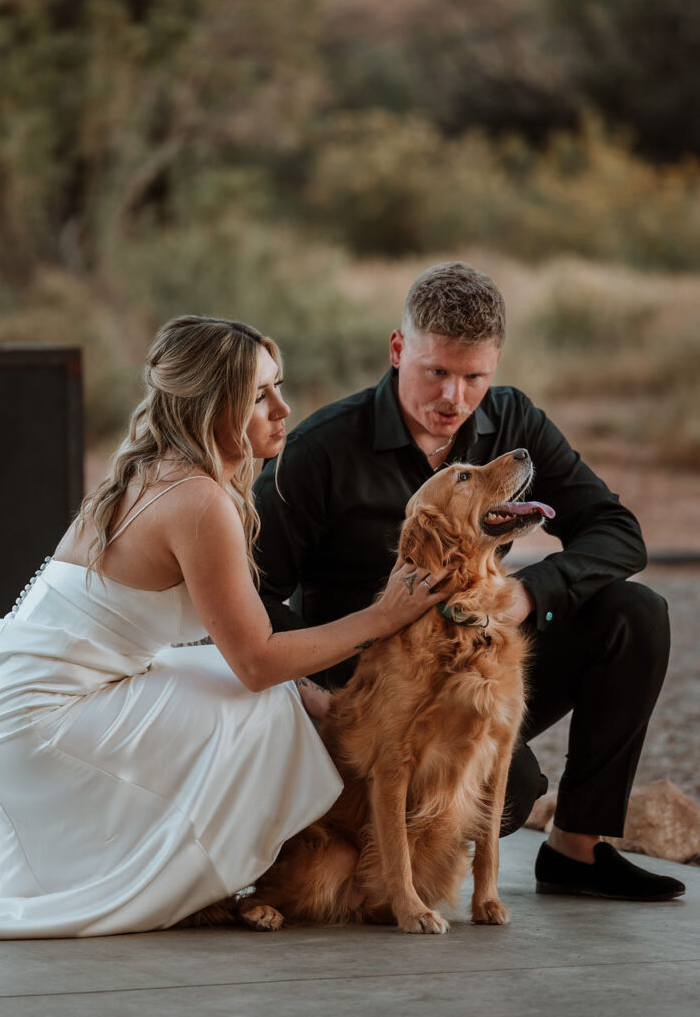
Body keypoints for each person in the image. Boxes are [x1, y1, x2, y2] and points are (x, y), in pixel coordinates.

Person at [0, 315, 448, 941]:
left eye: (278, 387)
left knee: (253, 688)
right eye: (259, 395)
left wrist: (305, 690)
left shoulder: (154, 471)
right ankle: (215, 878)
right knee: (260, 705)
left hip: (13, 707)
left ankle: (212, 869)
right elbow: (256, 661)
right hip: (39, 724)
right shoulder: (198, 500)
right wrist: (382, 617)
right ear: (212, 406)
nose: (283, 408)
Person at [254, 262, 686, 903]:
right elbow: (251, 593)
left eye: (474, 377)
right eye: (436, 373)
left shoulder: (514, 423)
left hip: (477, 675)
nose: (454, 399)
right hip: (374, 702)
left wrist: (528, 594)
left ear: (495, 366)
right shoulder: (321, 450)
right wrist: (310, 689)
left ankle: (577, 850)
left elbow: (617, 531)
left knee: (635, 614)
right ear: (398, 350)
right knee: (509, 799)